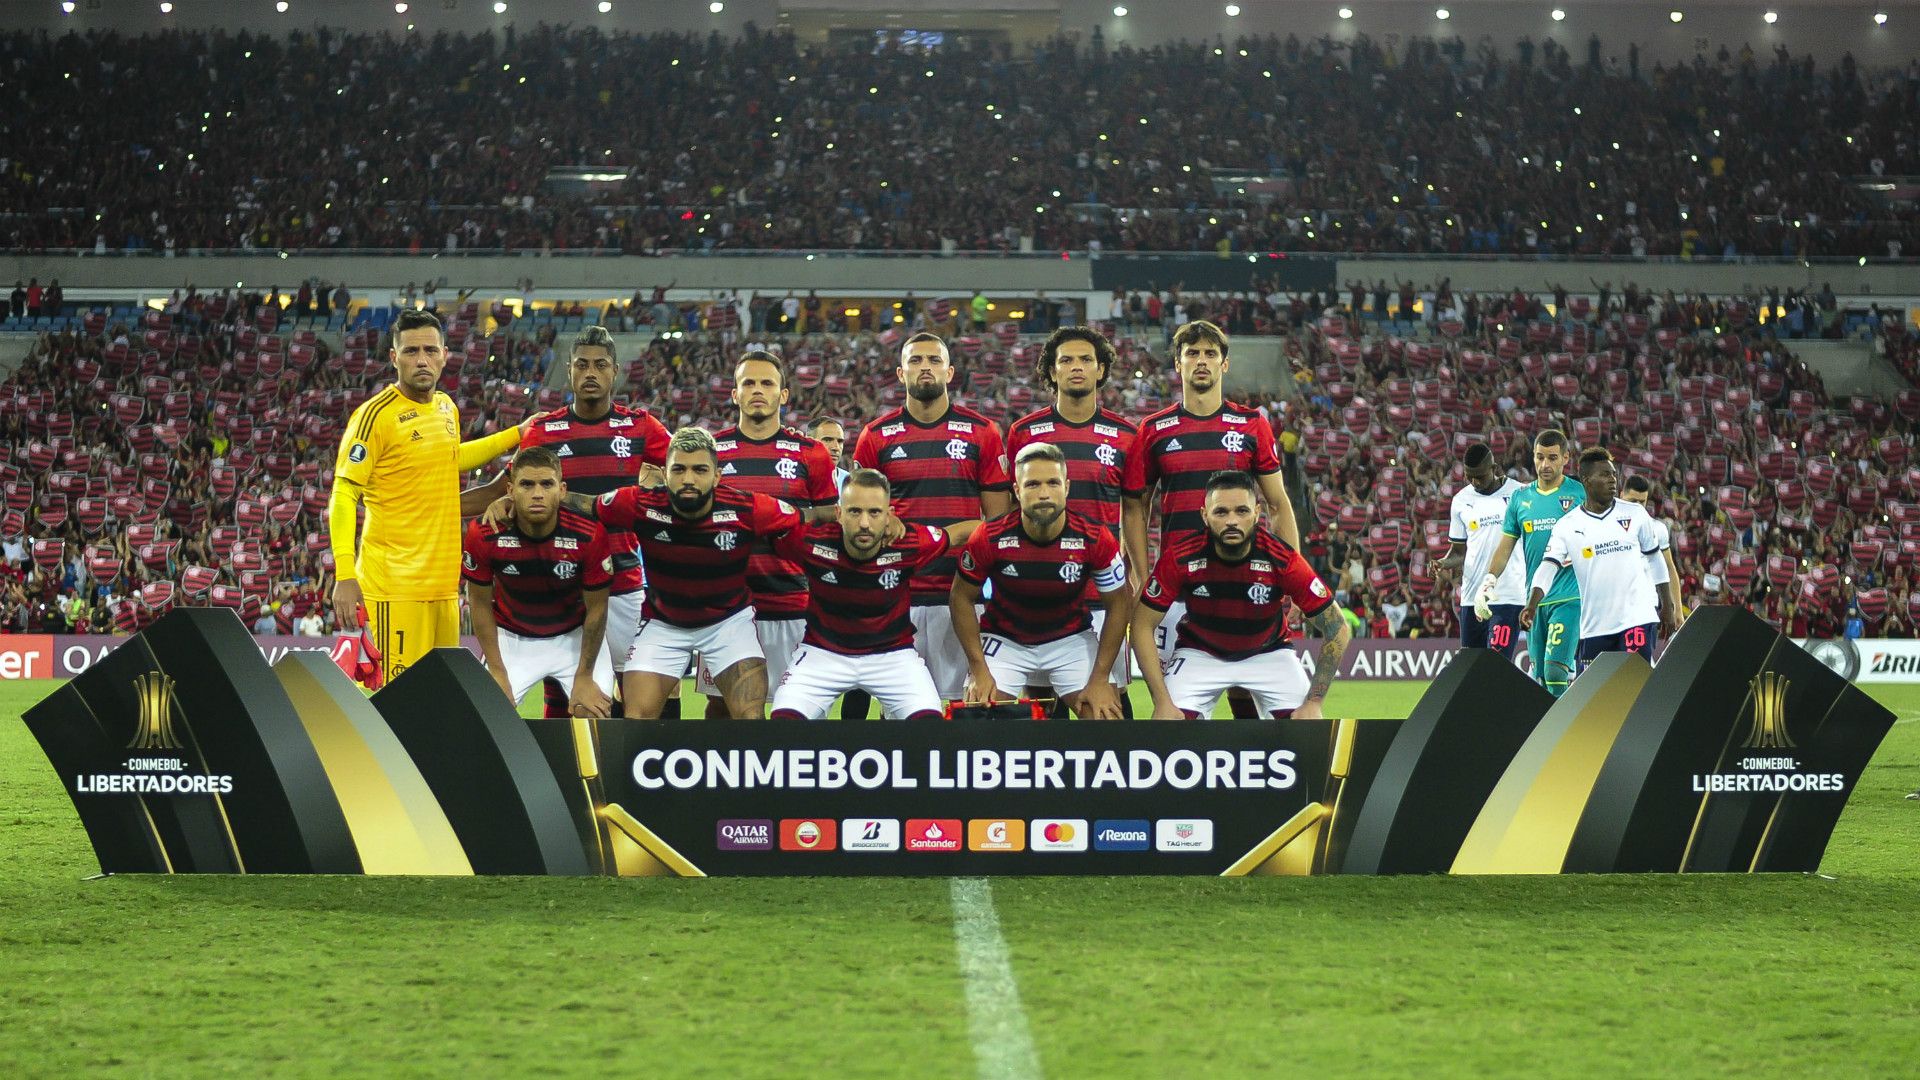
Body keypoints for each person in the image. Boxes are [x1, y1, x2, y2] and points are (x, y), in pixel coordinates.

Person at [472, 325, 670, 716]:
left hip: (624, 583)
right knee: (563, 691)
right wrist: (439, 501)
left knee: (634, 697)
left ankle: (628, 772)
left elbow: (691, 470)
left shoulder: (641, 427)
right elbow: (503, 488)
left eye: (600, 365)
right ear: (569, 370)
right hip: (562, 582)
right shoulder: (544, 430)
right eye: (582, 365)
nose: (591, 373)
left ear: (616, 371)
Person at [329, 309, 523, 685]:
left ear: (445, 355)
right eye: (412, 350)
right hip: (395, 589)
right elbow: (343, 494)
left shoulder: (446, 407)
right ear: (394, 357)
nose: (422, 359)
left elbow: (453, 457)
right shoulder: (374, 417)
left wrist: (518, 433)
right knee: (399, 704)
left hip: (444, 590)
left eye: (431, 350)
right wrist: (344, 572)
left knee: (437, 698)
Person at [563, 427, 802, 718]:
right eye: (679, 469)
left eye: (699, 470)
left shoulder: (748, 508)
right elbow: (586, 505)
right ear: (665, 474)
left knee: (750, 718)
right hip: (663, 623)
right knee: (635, 718)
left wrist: (849, 518)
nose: (688, 479)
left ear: (716, 476)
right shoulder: (640, 504)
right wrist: (516, 502)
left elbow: (805, 520)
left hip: (728, 623)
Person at [1123, 319, 1299, 714]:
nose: (1201, 361)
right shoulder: (1153, 429)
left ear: (1224, 364)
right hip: (1181, 590)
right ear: (1178, 365)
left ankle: (1250, 775)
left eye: (1210, 354)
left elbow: (1277, 503)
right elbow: (1136, 506)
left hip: (1246, 582)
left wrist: (1290, 571)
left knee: (1250, 700)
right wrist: (1140, 573)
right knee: (1179, 707)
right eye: (1192, 354)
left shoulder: (1252, 423)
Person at [851, 333, 1012, 701]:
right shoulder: (875, 437)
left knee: (967, 712)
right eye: (916, 360)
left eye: (934, 360)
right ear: (900, 373)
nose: (925, 366)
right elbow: (861, 520)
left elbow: (999, 525)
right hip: (896, 595)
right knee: (900, 715)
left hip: (962, 596)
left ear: (950, 371)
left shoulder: (982, 433)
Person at [1132, 471, 1349, 719]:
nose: (1232, 521)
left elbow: (1337, 628)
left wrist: (1314, 702)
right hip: (1200, 653)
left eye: (1242, 511)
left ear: (1257, 513)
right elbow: (1140, 625)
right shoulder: (1180, 557)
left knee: (1306, 729)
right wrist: (1160, 700)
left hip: (1269, 653)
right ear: (1205, 515)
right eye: (1221, 512)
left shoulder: (1282, 559)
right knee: (1170, 727)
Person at [1007, 326, 1140, 714]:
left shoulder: (1127, 435)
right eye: (1066, 360)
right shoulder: (1024, 433)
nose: (1076, 367)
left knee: (1109, 706)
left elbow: (1133, 510)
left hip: (1102, 598)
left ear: (1101, 370)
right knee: (1042, 710)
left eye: (1086, 360)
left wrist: (1139, 575)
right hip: (1037, 594)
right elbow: (1009, 514)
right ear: (1052, 371)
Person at [951, 444, 1132, 719]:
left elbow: (1119, 603)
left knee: (1103, 716)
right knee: (976, 716)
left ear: (1067, 487)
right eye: (1033, 484)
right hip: (1005, 640)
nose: (1044, 493)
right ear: (1017, 490)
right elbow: (960, 598)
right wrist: (979, 671)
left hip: (1070, 640)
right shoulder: (989, 537)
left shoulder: (1096, 538)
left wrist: (1100, 678)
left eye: (1053, 483)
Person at [705, 351, 839, 712]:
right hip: (725, 612)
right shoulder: (711, 453)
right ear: (734, 394)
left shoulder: (811, 454)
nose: (758, 390)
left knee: (798, 713)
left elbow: (829, 524)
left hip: (793, 607)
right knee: (721, 712)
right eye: (748, 383)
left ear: (784, 394)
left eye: (767, 383)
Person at [767, 470, 955, 721]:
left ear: (889, 515)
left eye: (874, 512)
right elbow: (767, 531)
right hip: (822, 654)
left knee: (930, 728)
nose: (865, 523)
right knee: (783, 727)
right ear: (839, 514)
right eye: (855, 511)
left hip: (893, 657)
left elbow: (962, 533)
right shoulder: (811, 542)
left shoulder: (910, 542)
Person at [462, 446, 615, 717]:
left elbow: (598, 609)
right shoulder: (485, 532)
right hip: (513, 638)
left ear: (562, 490)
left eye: (547, 484)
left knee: (592, 713)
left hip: (574, 638)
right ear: (510, 490)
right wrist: (497, 670)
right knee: (487, 718)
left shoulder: (589, 533)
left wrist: (584, 675)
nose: (537, 494)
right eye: (526, 484)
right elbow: (479, 602)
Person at [1522, 449, 1676, 673]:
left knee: (1634, 686)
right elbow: (1547, 567)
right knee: (1599, 699)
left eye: (1613, 474)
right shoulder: (1568, 525)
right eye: (1604, 475)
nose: (1612, 480)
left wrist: (1667, 605)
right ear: (1586, 481)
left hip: (1636, 618)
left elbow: (1655, 558)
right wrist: (1532, 604)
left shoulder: (1635, 514)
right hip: (1594, 626)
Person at [1485, 429, 1585, 696]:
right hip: (1535, 599)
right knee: (1539, 677)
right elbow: (1505, 547)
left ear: (1566, 458)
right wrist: (1490, 579)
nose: (1545, 465)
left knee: (1554, 673)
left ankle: (1564, 734)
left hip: (1569, 596)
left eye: (1552, 458)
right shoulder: (1520, 499)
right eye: (1540, 457)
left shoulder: (1580, 493)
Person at [1441, 443, 1527, 661]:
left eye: (1479, 476)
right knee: (1472, 670)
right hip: (1471, 597)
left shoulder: (1519, 493)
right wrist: (1443, 562)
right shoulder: (1461, 500)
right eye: (1470, 477)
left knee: (1496, 665)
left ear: (1494, 469)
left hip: (1508, 594)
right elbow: (1458, 551)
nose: (1474, 482)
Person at [1621, 475, 1685, 625]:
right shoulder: (1605, 526)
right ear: (1621, 496)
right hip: (1613, 607)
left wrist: (1677, 609)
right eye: (1632, 501)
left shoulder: (1657, 528)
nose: (1637, 506)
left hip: (1646, 608)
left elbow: (1669, 568)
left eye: (1641, 502)